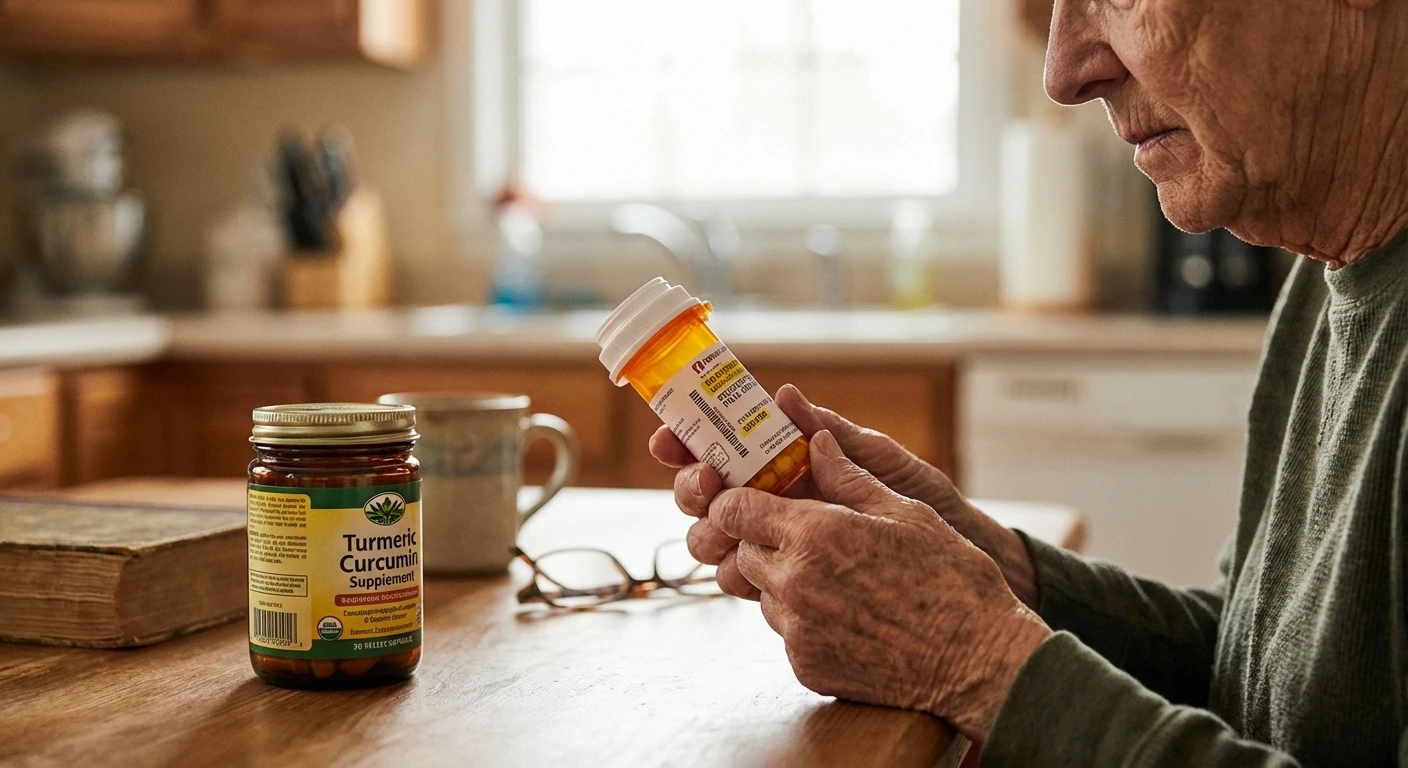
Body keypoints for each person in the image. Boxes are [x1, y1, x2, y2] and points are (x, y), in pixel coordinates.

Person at [649, 0, 1408, 764]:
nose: (1064, 73)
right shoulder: (1319, 279)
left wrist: (970, 658)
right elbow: (1261, 674)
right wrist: (989, 569)